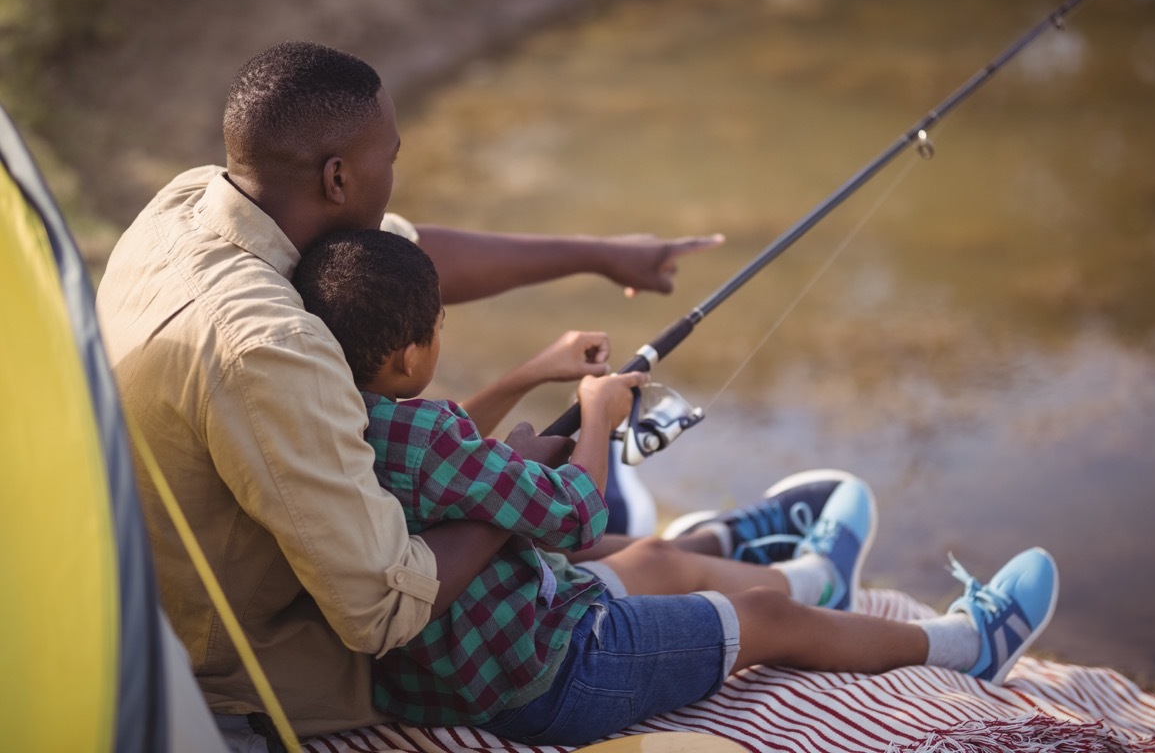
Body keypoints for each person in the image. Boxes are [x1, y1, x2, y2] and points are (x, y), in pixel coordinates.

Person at [93, 39, 723, 745]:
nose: (394, 172)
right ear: (338, 178)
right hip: (254, 666)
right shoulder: (269, 347)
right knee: (602, 566)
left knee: (633, 559)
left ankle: (707, 547)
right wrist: (510, 489)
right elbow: (384, 610)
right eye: (389, 158)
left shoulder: (187, 205)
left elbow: (409, 259)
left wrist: (601, 256)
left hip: (151, 601)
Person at [291, 227, 1062, 747]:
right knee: (764, 618)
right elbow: (576, 514)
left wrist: (533, 376)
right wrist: (597, 415)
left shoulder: (347, 418)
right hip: (550, 673)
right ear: (405, 355)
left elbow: (449, 445)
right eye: (438, 329)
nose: (441, 337)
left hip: (483, 647)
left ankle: (819, 579)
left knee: (657, 561)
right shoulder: (426, 437)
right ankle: (969, 648)